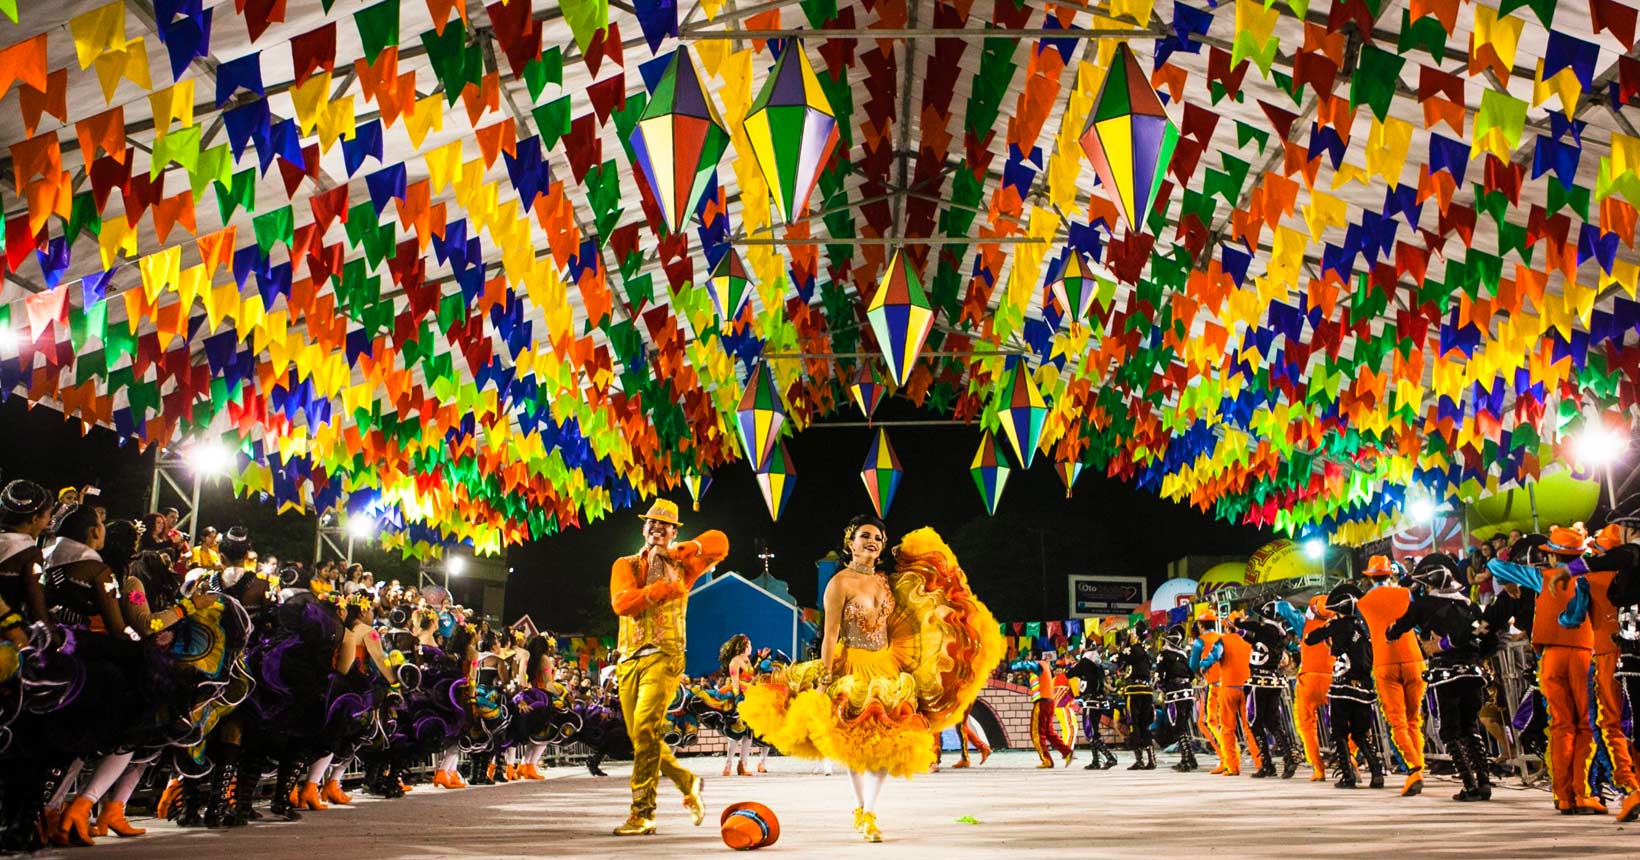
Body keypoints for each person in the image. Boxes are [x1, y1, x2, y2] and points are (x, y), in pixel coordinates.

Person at [741, 518, 1003, 843]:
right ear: (850, 542)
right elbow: (829, 636)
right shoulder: (839, 583)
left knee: (886, 747)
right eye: (865, 536)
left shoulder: (885, 582)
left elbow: (912, 604)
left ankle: (870, 811)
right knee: (855, 745)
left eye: (877, 537)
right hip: (852, 664)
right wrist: (824, 677)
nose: (872, 541)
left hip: (889, 666)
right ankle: (859, 808)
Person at [607, 498, 725, 836]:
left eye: (665, 525)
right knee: (640, 735)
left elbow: (721, 543)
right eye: (652, 523)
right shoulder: (625, 564)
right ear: (644, 529)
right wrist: (664, 589)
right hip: (629, 658)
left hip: (665, 653)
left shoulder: (684, 563)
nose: (657, 528)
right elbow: (622, 604)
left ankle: (642, 814)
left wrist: (690, 548)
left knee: (645, 728)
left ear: (673, 532)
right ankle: (687, 782)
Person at [1490, 529, 1605, 814]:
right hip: (1582, 656)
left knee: (1560, 726)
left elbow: (1494, 565)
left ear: (1552, 555)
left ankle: (1563, 796)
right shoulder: (1586, 577)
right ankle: (1582, 793)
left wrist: (1509, 580)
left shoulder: (1542, 577)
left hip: (1551, 658)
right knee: (1585, 726)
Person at [1387, 553, 1500, 801]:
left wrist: (1392, 632)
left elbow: (1397, 628)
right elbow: (1489, 638)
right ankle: (1483, 781)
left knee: (1449, 730)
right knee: (1470, 726)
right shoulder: (1469, 606)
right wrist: (1474, 655)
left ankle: (1469, 784)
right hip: (1472, 672)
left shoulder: (1424, 604)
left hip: (1446, 674)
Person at [1357, 554, 1428, 796]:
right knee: (1413, 719)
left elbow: (1367, 632)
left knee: (1397, 721)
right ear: (1391, 573)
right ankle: (1418, 764)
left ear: (1369, 577)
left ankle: (1414, 767)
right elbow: (1417, 622)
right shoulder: (1405, 594)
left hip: (1384, 661)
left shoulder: (1363, 603)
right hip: (1413, 658)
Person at [1306, 584, 1385, 789]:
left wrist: (1329, 628)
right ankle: (1377, 772)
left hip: (1343, 686)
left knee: (1339, 732)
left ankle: (1347, 776)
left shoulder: (1337, 625)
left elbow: (1309, 639)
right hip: (1364, 688)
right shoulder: (1362, 627)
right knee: (1360, 732)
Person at [1242, 599, 1301, 779]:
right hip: (1274, 681)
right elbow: (1255, 642)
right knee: (1273, 722)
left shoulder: (1264, 630)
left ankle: (1267, 764)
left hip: (1259, 681)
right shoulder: (1279, 634)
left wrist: (1238, 623)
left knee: (1254, 721)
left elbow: (1252, 630)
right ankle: (1289, 757)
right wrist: (1240, 632)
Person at [1294, 595, 1335, 781]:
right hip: (1333, 679)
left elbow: (1285, 609)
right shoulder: (1337, 625)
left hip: (1308, 680)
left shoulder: (1304, 626)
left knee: (1306, 726)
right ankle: (1349, 759)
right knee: (1344, 725)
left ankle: (1318, 768)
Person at [1155, 626, 1198, 772]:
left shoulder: (1164, 655)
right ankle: (1190, 757)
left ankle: (1186, 760)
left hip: (1175, 692)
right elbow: (1191, 675)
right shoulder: (1184, 655)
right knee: (1183, 724)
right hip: (1187, 691)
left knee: (1177, 726)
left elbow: (1159, 676)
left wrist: (1162, 688)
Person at [1188, 610, 1227, 772]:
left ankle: (1224, 757)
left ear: (1200, 625)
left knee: (1205, 722)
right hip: (1228, 684)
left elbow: (1193, 665)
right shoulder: (1222, 638)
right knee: (1225, 723)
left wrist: (1200, 674)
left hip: (1212, 685)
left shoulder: (1200, 641)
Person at [1068, 646, 1118, 770]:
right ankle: (1096, 761)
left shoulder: (1085, 663)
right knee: (1094, 731)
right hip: (1099, 701)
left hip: (1091, 701)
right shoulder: (1098, 666)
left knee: (1090, 731)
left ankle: (1110, 757)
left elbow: (1069, 674)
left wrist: (1071, 665)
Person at [1116, 623, 1153, 770]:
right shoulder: (1145, 651)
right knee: (1145, 724)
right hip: (1147, 690)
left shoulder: (1133, 649)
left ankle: (1139, 759)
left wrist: (1124, 644)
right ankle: (1151, 758)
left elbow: (1119, 660)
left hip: (1134, 690)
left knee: (1134, 723)